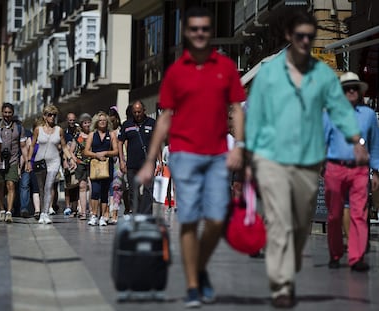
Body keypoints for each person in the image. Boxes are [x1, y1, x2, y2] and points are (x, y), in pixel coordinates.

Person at [245, 11, 369, 308]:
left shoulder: (323, 75)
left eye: (309, 37)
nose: (304, 41)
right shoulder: (271, 75)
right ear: (289, 36)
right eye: (299, 35)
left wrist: (356, 140)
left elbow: (340, 111)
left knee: (299, 224)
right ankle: (282, 283)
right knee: (278, 222)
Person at [138, 7, 245, 308]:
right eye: (194, 29)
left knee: (215, 219)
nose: (199, 34)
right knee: (188, 219)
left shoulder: (225, 66)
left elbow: (237, 108)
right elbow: (164, 118)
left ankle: (199, 266)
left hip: (217, 155)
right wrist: (151, 161)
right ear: (187, 33)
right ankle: (194, 285)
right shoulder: (176, 71)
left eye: (205, 29)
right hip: (184, 154)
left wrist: (239, 145)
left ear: (210, 32)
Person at [323, 72, 379, 271]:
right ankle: (336, 253)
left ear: (360, 90)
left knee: (359, 214)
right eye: (347, 88)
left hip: (359, 171)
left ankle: (356, 258)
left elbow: (374, 145)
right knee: (335, 215)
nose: (351, 90)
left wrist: (376, 172)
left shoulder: (369, 115)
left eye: (354, 87)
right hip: (335, 168)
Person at [26, 105, 75, 224]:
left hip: (54, 161)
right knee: (41, 188)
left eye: (54, 115)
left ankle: (46, 212)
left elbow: (64, 146)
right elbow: (32, 145)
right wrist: (28, 161)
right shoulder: (38, 129)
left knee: (49, 186)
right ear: (44, 116)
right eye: (49, 115)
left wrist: (70, 159)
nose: (52, 117)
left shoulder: (59, 130)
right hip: (39, 161)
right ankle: (42, 211)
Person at [118, 101, 158, 215]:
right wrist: (121, 161)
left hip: (148, 163)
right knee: (133, 191)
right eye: (134, 112)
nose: (137, 114)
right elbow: (120, 142)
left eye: (139, 112)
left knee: (148, 190)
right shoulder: (127, 124)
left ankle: (147, 215)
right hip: (132, 164)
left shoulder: (152, 123)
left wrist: (159, 161)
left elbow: (156, 142)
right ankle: (135, 214)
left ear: (144, 110)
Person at [0, 103, 27, 223]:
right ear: (2, 113)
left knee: (11, 184)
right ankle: (1, 210)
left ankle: (9, 211)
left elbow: (23, 146)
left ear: (12, 113)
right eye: (5, 112)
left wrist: (26, 161)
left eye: (9, 112)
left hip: (12, 160)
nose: (7, 115)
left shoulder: (19, 127)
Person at [84, 111, 119, 226]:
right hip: (95, 166)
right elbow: (86, 151)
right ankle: (94, 215)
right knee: (95, 190)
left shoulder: (112, 134)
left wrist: (106, 152)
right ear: (96, 122)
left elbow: (116, 151)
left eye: (104, 120)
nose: (102, 122)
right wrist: (96, 155)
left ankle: (103, 216)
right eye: (100, 120)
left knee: (105, 192)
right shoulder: (92, 135)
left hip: (107, 166)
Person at [70, 113, 92, 220]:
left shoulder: (93, 135)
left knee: (92, 187)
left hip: (93, 163)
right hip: (81, 164)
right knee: (82, 187)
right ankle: (83, 212)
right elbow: (71, 151)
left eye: (88, 122)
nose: (87, 124)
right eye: (85, 122)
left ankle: (92, 210)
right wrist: (74, 161)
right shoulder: (78, 137)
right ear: (82, 124)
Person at [108, 107, 123, 224]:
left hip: (118, 161)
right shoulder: (106, 132)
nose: (112, 123)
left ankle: (115, 214)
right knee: (108, 188)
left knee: (117, 187)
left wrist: (124, 160)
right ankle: (107, 212)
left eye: (114, 121)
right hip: (107, 162)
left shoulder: (121, 131)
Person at [63, 112, 79, 215]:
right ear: (67, 120)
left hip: (78, 160)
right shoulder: (64, 133)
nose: (72, 122)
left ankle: (76, 206)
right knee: (67, 184)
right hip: (67, 161)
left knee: (77, 184)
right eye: (70, 120)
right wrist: (64, 161)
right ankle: (68, 206)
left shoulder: (78, 132)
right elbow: (64, 148)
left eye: (73, 120)